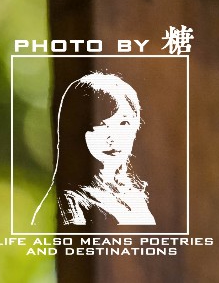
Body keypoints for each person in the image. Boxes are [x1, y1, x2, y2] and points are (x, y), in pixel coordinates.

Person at [30, 71, 156, 228]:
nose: (113, 137)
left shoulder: (136, 194)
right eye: (100, 126)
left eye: (123, 123)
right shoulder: (71, 204)